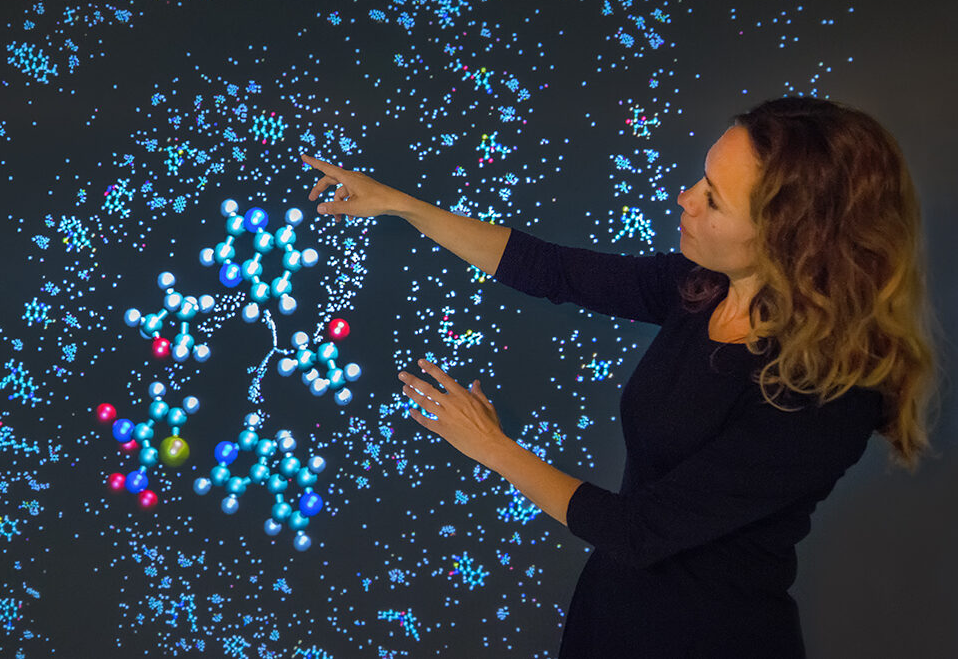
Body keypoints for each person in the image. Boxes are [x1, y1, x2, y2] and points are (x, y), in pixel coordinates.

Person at [302, 96, 940, 657]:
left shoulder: (830, 395)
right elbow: (552, 270)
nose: (685, 197)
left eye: (713, 198)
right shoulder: (703, 290)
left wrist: (491, 448)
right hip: (612, 620)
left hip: (709, 640)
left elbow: (639, 531)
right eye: (703, 178)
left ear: (789, 236)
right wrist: (400, 206)